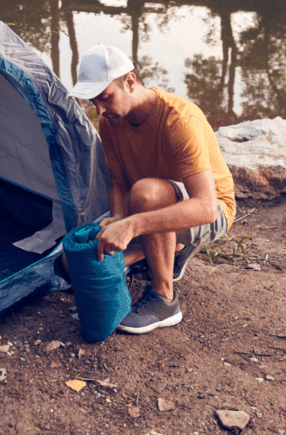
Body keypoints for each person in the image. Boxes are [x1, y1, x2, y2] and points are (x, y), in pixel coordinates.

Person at [68, 44, 236, 334]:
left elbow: (206, 207)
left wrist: (132, 226)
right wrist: (119, 217)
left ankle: (165, 299)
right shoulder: (111, 121)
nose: (100, 109)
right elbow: (118, 184)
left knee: (147, 193)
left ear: (130, 82)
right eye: (93, 101)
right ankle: (172, 250)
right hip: (149, 207)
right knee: (72, 266)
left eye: (105, 97)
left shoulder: (179, 119)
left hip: (210, 209)